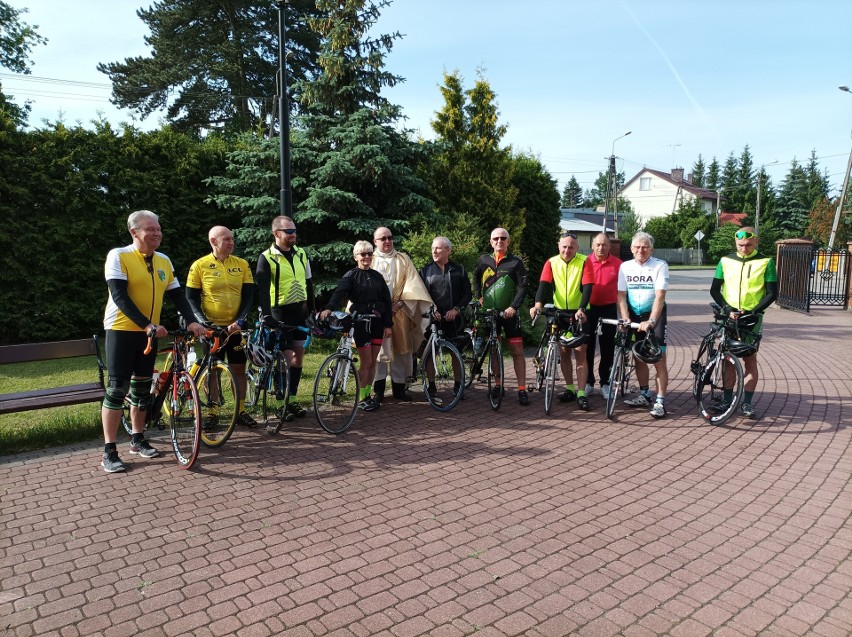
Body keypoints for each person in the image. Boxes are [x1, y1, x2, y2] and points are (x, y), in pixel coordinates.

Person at [100, 210, 206, 473]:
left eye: (158, 228)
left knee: (141, 389)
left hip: (148, 333)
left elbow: (178, 296)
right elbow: (119, 296)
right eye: (150, 229)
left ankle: (137, 439)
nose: (157, 233)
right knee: (117, 390)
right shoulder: (119, 256)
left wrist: (193, 321)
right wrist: (147, 324)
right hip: (121, 330)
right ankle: (109, 450)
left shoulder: (163, 261)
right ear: (134, 232)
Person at [185, 226, 257, 428]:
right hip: (212, 327)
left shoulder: (241, 264)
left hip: (236, 327)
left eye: (232, 239)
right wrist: (202, 321)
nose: (231, 242)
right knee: (212, 369)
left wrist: (241, 321)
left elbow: (249, 295)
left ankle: (240, 410)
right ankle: (212, 412)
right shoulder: (200, 265)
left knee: (239, 368)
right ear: (213, 241)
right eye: (226, 239)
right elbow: (190, 298)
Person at [710, 226, 778, 419]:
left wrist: (753, 311)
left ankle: (747, 403)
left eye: (748, 245)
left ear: (756, 242)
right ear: (735, 242)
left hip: (752, 319)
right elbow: (715, 290)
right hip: (729, 317)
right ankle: (727, 399)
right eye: (740, 245)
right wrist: (727, 308)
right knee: (728, 360)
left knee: (750, 359)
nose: (744, 248)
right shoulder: (725, 261)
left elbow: (773, 292)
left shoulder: (766, 261)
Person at [320, 241, 393, 411]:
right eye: (363, 254)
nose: (366, 257)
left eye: (369, 253)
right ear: (356, 257)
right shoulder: (351, 275)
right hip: (360, 323)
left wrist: (388, 325)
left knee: (373, 362)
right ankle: (361, 398)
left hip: (377, 322)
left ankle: (367, 395)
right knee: (366, 362)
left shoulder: (377, 276)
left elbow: (387, 302)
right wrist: (329, 308)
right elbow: (340, 293)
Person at [255, 215, 314, 422]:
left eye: (294, 230)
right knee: (285, 359)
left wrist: (312, 312)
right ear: (276, 233)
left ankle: (293, 398)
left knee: (298, 357)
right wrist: (267, 315)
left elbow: (309, 283)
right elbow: (262, 290)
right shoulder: (267, 257)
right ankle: (281, 403)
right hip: (279, 313)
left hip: (300, 312)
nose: (293, 234)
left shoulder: (301, 254)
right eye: (289, 231)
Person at [530, 232, 592, 410]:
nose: (567, 250)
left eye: (571, 247)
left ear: (577, 248)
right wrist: (537, 305)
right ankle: (570, 389)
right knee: (564, 352)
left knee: (580, 353)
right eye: (564, 246)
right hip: (560, 312)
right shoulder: (551, 262)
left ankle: (581, 393)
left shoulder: (584, 261)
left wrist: (581, 308)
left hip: (580, 312)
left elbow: (587, 287)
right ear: (559, 246)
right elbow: (543, 285)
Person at [371, 227, 433, 402]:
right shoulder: (370, 258)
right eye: (382, 238)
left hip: (400, 311)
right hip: (377, 314)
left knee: (402, 350)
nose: (387, 241)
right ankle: (379, 391)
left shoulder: (403, 259)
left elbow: (413, 283)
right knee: (378, 351)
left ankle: (399, 388)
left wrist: (399, 304)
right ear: (375, 241)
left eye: (390, 237)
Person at [473, 227, 530, 405]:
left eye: (503, 238)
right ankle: (498, 385)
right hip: (491, 314)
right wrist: (479, 296)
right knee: (494, 351)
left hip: (509, 314)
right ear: (491, 242)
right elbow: (475, 276)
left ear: (508, 241)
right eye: (496, 239)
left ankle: (521, 389)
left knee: (517, 352)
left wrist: (514, 306)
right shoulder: (484, 260)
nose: (499, 241)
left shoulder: (515, 262)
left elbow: (523, 287)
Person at [617, 231, 670, 419]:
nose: (641, 250)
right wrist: (625, 317)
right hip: (634, 315)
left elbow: (660, 295)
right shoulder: (625, 267)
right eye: (637, 247)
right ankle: (645, 393)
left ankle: (660, 401)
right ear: (631, 249)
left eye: (645, 247)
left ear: (651, 249)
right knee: (638, 356)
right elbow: (621, 295)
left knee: (658, 359)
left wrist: (652, 321)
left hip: (654, 316)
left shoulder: (659, 265)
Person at [419, 236, 473, 397]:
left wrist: (456, 310)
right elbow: (421, 294)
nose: (434, 251)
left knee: (455, 351)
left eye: (438, 248)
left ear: (448, 250)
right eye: (433, 248)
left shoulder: (459, 269)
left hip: (453, 318)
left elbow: (467, 294)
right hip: (433, 317)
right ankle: (432, 386)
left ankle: (458, 386)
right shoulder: (425, 271)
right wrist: (432, 310)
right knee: (430, 352)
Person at [583, 233, 622, 400]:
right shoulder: (584, 262)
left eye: (604, 245)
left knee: (607, 347)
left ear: (609, 246)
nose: (601, 248)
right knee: (587, 346)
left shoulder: (619, 264)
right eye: (598, 244)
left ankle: (605, 382)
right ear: (592, 246)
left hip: (609, 309)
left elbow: (622, 291)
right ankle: (588, 382)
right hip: (589, 309)